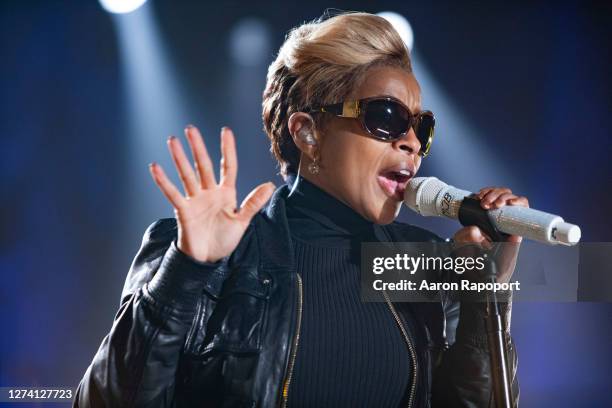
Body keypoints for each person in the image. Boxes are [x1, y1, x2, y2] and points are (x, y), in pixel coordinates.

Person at [74, 11, 528, 407]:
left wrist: (485, 294)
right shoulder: (209, 254)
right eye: (387, 117)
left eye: (420, 127)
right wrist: (187, 269)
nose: (411, 142)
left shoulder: (422, 263)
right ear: (308, 132)